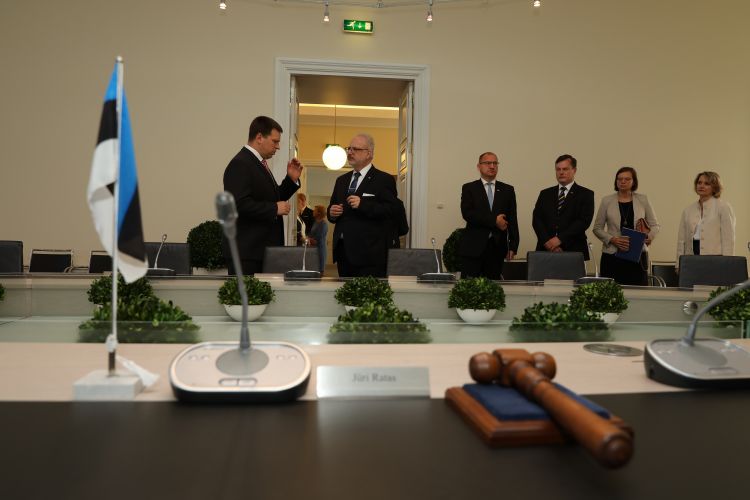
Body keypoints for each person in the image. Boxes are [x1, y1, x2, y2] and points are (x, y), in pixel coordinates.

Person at [222, 115, 303, 274]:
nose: (277, 147)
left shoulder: (257, 163)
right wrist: (274, 209)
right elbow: (238, 205)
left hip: (259, 251)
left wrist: (291, 179)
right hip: (247, 253)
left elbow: (273, 198)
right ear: (259, 137)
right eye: (275, 141)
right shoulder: (241, 163)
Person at [327, 133, 400, 277]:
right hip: (343, 254)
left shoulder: (383, 179)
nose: (350, 152)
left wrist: (363, 205)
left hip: (370, 256)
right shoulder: (341, 180)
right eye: (349, 148)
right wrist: (331, 212)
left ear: (369, 153)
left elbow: (391, 210)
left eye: (355, 149)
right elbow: (332, 208)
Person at [593, 166, 660, 285]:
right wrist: (612, 239)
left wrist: (649, 237)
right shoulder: (606, 201)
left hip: (637, 255)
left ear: (634, 181)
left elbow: (655, 225)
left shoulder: (643, 200)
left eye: (627, 179)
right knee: (611, 292)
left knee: (638, 292)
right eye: (619, 179)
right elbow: (597, 228)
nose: (622, 181)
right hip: (612, 255)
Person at [458, 152, 519, 280]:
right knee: (469, 287)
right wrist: (494, 221)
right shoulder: (469, 188)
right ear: (479, 166)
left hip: (497, 248)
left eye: (495, 163)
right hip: (473, 248)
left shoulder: (508, 190)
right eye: (487, 163)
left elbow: (512, 219)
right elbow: (468, 214)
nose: (492, 166)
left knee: (494, 287)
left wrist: (513, 245)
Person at [532, 154, 595, 259]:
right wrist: (547, 242)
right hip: (546, 249)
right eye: (558, 169)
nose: (561, 172)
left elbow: (583, 221)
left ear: (574, 170)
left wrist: (559, 239)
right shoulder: (545, 194)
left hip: (574, 249)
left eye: (565, 169)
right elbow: (537, 219)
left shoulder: (586, 194)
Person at [676, 171, 736, 265]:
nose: (701, 186)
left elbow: (728, 240)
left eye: (707, 183)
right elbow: (681, 240)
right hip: (691, 261)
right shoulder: (688, 210)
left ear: (715, 187)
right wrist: (678, 264)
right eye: (699, 183)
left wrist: (728, 264)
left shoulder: (723, 207)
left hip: (716, 261)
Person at [309, 205, 329, 275]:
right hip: (314, 249)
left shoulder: (323, 224)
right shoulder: (315, 222)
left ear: (319, 213)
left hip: (320, 250)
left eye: (315, 210)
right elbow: (312, 235)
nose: (313, 211)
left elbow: (318, 240)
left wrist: (307, 239)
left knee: (320, 272)